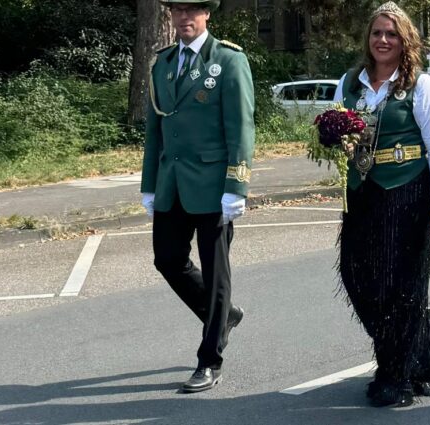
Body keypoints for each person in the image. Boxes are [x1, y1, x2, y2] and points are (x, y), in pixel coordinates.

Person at [332, 1, 430, 408]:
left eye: (391, 33)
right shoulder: (350, 83)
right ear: (367, 39)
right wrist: (329, 138)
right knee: (357, 278)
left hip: (407, 189)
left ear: (404, 39)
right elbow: (336, 128)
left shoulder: (419, 85)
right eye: (376, 33)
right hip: (362, 192)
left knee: (402, 286)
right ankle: (414, 352)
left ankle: (396, 375)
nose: (383, 40)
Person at [140, 0, 254, 393]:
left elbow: (241, 127)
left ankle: (210, 359)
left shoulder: (228, 60)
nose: (184, 18)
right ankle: (223, 316)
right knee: (167, 259)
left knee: (216, 272)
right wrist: (149, 184)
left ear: (207, 15)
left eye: (193, 10)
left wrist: (236, 186)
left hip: (213, 185)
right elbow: (154, 131)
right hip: (172, 181)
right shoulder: (164, 62)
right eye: (177, 11)